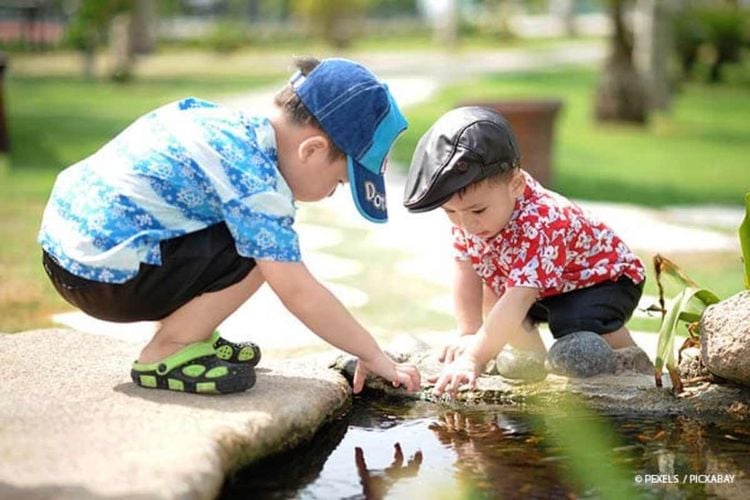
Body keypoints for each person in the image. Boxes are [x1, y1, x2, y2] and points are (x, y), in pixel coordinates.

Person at [39, 57, 420, 395]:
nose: (330, 194)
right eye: (339, 183)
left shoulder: (226, 125)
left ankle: (194, 334)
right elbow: (297, 291)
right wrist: (370, 353)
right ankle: (168, 350)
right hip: (103, 279)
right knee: (264, 252)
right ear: (313, 150)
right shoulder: (255, 181)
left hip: (68, 254)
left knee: (249, 234)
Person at [403, 106, 646, 398]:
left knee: (573, 322)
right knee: (493, 293)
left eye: (477, 210)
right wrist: (469, 333)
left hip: (602, 281)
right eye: (450, 212)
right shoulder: (471, 217)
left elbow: (520, 296)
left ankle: (633, 364)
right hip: (546, 287)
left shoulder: (543, 220)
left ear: (516, 184)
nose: (466, 223)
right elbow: (466, 271)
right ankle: (533, 366)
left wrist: (473, 359)